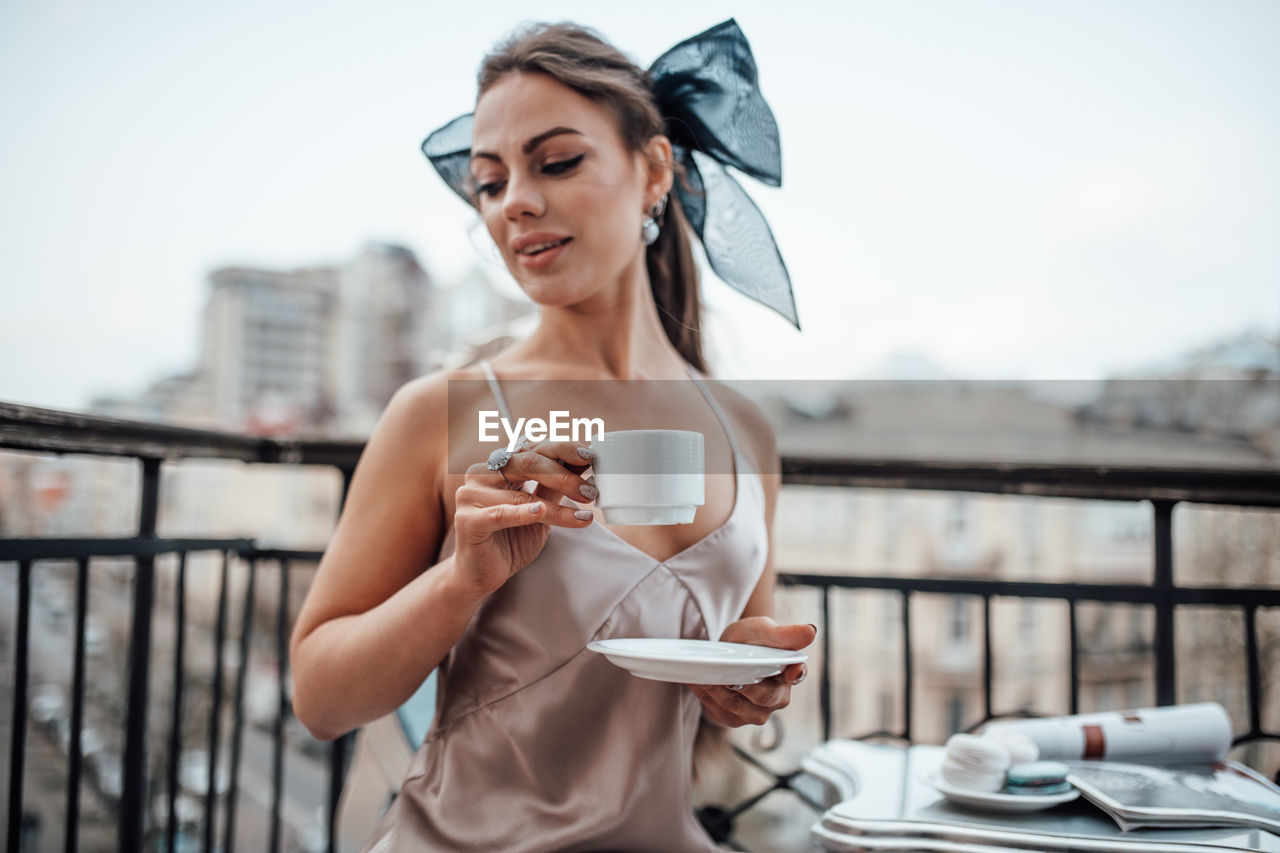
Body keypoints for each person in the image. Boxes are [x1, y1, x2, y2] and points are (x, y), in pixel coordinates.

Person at [289, 19, 813, 851]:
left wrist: (747, 681)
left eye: (557, 162)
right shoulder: (440, 413)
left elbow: (720, 683)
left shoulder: (746, 430)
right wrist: (460, 581)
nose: (515, 203)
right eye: (489, 183)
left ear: (653, 170)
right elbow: (320, 698)